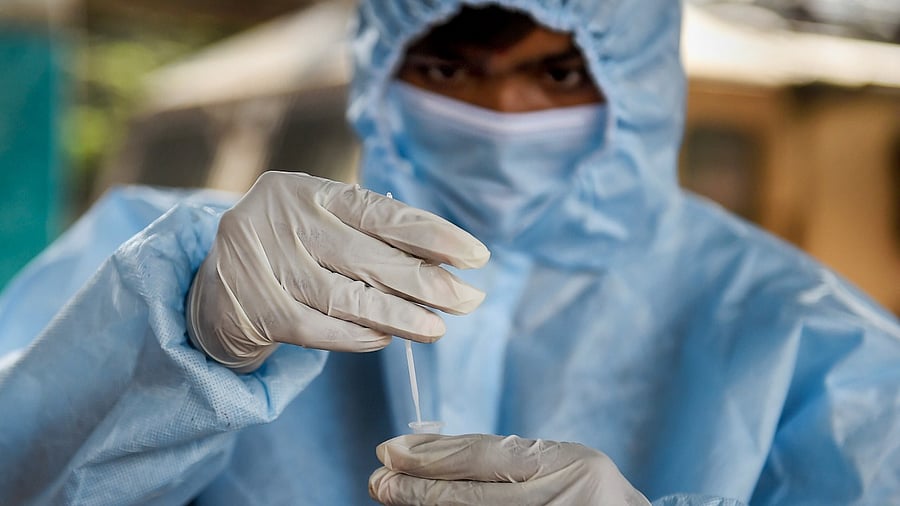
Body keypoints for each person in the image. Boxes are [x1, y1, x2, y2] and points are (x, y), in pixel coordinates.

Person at [1, 1, 898, 504]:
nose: (503, 113)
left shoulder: (811, 338)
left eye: (557, 73)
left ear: (645, 81)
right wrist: (172, 348)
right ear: (381, 69)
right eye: (449, 68)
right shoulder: (174, 261)